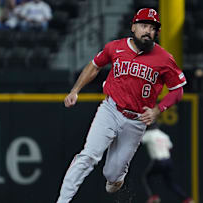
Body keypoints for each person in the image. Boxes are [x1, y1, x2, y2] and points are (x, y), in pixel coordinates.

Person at [56, 8, 187, 203]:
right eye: (143, 25)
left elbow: (178, 89)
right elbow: (94, 65)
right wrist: (75, 90)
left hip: (137, 120)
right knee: (88, 156)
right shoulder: (115, 47)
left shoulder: (164, 58)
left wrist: (158, 109)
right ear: (133, 27)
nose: (148, 31)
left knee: (112, 174)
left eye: (152, 28)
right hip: (110, 109)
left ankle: (117, 178)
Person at [141, 123, 194, 203]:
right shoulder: (164, 135)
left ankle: (154, 197)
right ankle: (187, 199)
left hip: (158, 161)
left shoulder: (149, 134)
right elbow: (170, 148)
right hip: (168, 161)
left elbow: (138, 141)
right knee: (170, 183)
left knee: (147, 176)